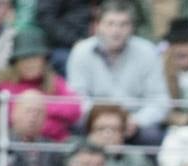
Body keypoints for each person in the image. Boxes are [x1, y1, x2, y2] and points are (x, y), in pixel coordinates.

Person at [66, 0, 170, 146]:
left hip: (133, 122)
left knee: (153, 136)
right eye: (110, 24)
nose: (116, 31)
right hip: (94, 121)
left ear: (132, 27)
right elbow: (77, 98)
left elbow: (160, 101)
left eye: (123, 24)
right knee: (73, 130)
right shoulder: (81, 52)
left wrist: (137, 121)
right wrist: (102, 121)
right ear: (98, 26)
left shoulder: (147, 51)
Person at [0, 26, 82, 142]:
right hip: (18, 144)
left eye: (35, 58)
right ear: (16, 62)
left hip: (56, 145)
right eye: (25, 58)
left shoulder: (54, 82)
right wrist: (52, 120)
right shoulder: (6, 86)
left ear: (44, 60)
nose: (30, 64)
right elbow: (12, 119)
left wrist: (40, 106)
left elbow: (75, 109)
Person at [86, 103, 157, 166]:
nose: (107, 134)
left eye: (114, 129)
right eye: (101, 129)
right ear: (90, 131)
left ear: (124, 132)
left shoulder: (137, 160)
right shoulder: (74, 157)